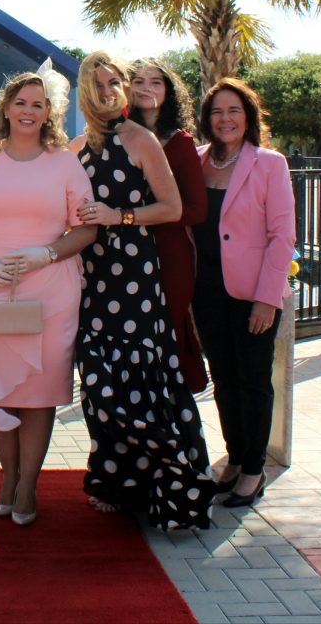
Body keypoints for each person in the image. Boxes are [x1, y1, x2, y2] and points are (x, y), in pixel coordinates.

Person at [0, 63, 96, 526]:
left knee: (39, 391)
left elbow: (86, 228)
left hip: (51, 289)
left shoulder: (65, 162)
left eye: (38, 103)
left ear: (48, 111)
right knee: (1, 392)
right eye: (21, 102)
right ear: (6, 108)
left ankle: (29, 483)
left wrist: (46, 255)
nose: (28, 111)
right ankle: (8, 478)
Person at [72, 52, 214, 529]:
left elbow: (173, 206)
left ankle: (160, 477)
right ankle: (113, 477)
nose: (108, 90)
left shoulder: (140, 138)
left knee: (139, 377)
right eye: (98, 84)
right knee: (98, 379)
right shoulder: (75, 147)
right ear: (84, 92)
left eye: (116, 82)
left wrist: (120, 216)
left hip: (134, 274)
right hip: (91, 277)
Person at [192, 78, 295, 508]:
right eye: (217, 112)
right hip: (206, 291)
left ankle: (254, 470)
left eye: (234, 110)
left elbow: (282, 235)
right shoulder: (195, 162)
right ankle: (234, 458)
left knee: (253, 382)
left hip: (252, 293)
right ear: (207, 119)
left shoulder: (269, 164)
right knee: (225, 382)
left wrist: (267, 298)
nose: (225, 119)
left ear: (248, 115)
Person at [129, 58, 208, 392]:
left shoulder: (180, 142)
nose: (147, 87)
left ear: (168, 90)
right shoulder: (118, 138)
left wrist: (148, 214)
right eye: (139, 80)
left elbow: (196, 209)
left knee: (168, 331)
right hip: (126, 255)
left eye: (156, 81)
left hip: (169, 255)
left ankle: (173, 413)